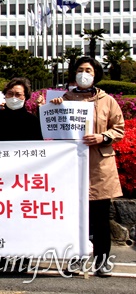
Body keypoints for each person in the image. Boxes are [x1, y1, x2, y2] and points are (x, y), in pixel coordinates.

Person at [50, 57, 124, 277]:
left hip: (99, 166)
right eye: (80, 70)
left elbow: (119, 129)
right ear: (74, 74)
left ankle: (102, 261)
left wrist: (103, 136)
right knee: (74, 218)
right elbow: (53, 128)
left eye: (88, 70)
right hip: (72, 165)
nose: (84, 73)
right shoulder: (64, 99)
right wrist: (53, 108)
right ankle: (76, 259)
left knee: (101, 218)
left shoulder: (107, 101)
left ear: (96, 74)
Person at [0, 77, 43, 141]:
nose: (13, 97)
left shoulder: (32, 121)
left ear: (25, 97)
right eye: (10, 94)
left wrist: (41, 110)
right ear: (5, 96)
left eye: (18, 94)